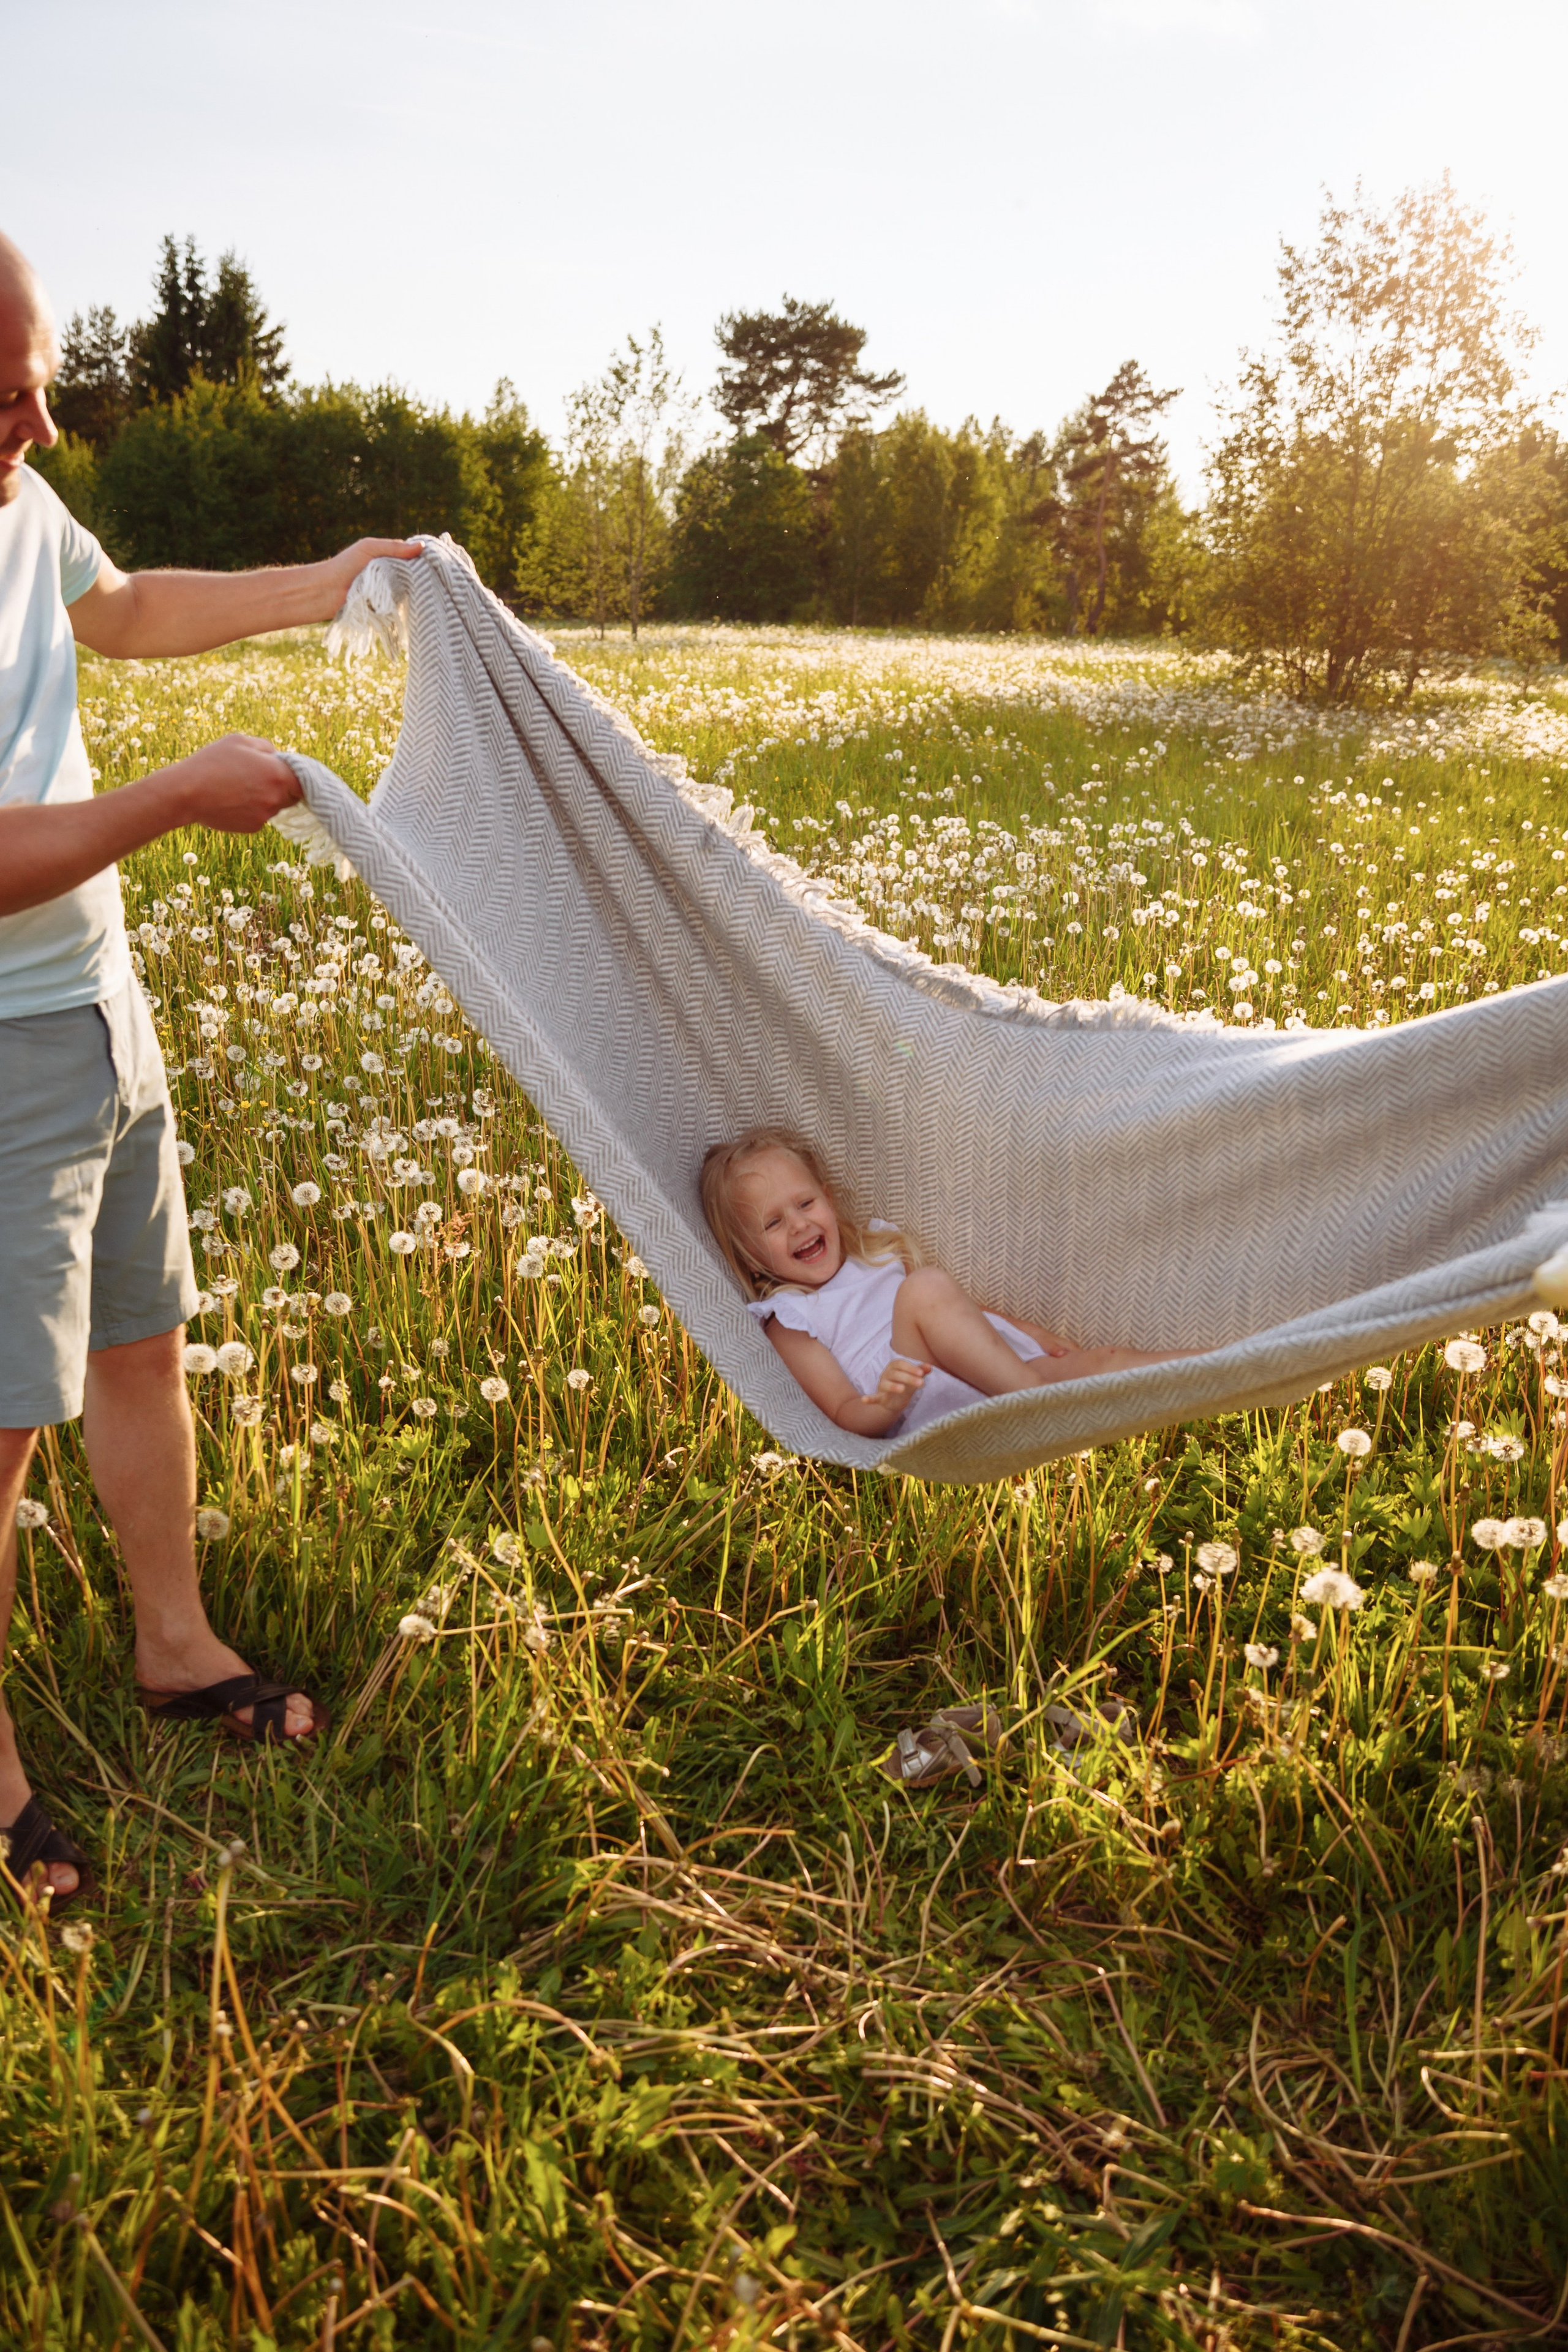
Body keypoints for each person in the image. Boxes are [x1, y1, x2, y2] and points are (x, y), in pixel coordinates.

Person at [0, 230, 421, 1909]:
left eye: (33, 375)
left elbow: (123, 606)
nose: (31, 423)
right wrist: (175, 795)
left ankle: (173, 1645)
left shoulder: (21, 505)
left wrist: (325, 578)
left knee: (137, 1337)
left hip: (96, 1007)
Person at [701, 1126, 1175, 1439]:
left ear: (828, 1199)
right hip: (921, 1404)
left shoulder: (876, 1252)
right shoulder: (791, 1319)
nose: (800, 1226)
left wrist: (1031, 1334)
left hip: (988, 1371)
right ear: (750, 1257)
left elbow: (959, 1316)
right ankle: (1034, 1400)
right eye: (773, 1224)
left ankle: (1218, 1367)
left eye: (805, 1205)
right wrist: (887, 1404)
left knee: (1103, 1363)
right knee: (925, 1288)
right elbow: (845, 1412)